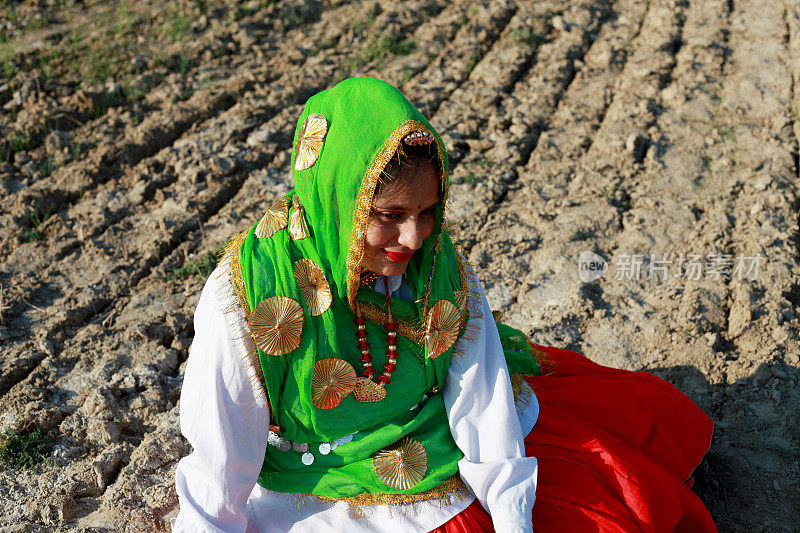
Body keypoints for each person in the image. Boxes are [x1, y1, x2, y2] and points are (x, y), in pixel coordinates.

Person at [172, 77, 716, 532]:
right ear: (337, 199)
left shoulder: (435, 264)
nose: (412, 237)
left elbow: (478, 399)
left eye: (427, 211)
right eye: (388, 214)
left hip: (437, 449)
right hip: (316, 492)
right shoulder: (249, 297)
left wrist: (510, 514)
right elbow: (221, 461)